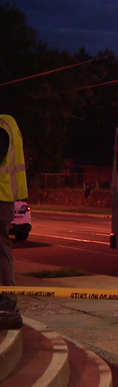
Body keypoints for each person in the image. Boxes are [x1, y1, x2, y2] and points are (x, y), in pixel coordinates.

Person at [0, 115, 29, 329]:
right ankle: (7, 299)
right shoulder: (9, 123)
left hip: (1, 196)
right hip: (4, 197)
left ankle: (7, 299)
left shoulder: (2, 127)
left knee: (1, 250)